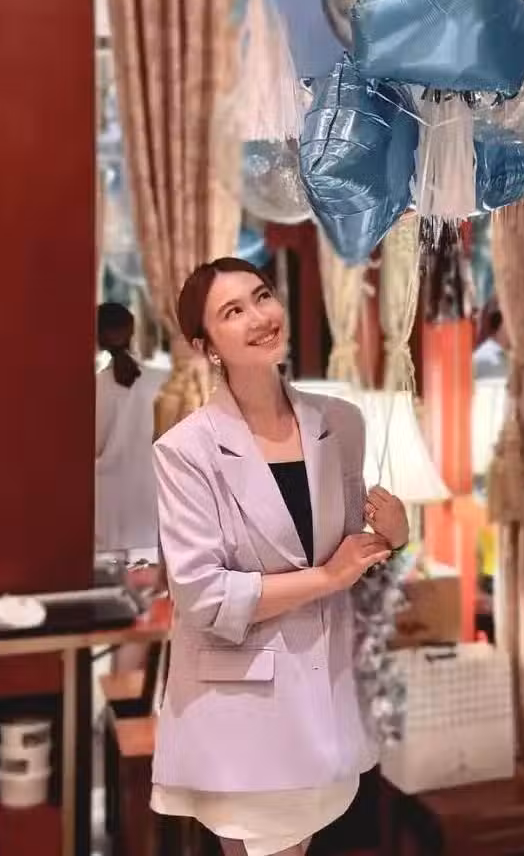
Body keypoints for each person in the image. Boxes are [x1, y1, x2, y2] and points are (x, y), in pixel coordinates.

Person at [150, 257, 409, 856]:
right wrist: (326, 577)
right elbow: (203, 595)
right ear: (206, 346)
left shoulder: (341, 423)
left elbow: (353, 560)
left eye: (262, 296)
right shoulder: (186, 450)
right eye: (232, 311)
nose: (260, 316)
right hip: (241, 707)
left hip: (324, 698)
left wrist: (393, 538)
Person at [95, 303, 168, 556]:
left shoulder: (92, 388)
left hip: (105, 511)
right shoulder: (163, 382)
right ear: (132, 331)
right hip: (150, 507)